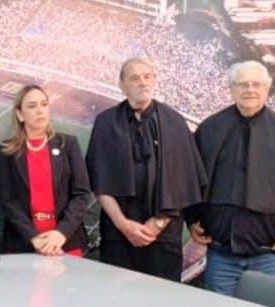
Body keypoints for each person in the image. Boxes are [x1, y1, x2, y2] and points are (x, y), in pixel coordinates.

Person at [187, 61, 275, 295]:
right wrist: (191, 219)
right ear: (231, 88)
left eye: (256, 84)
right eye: (242, 84)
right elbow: (191, 180)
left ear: (267, 89)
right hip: (221, 255)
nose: (250, 89)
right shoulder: (209, 129)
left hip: (271, 256)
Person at [86, 58, 206, 280]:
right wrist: (124, 225)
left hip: (163, 238)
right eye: (134, 78)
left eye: (147, 76)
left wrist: (157, 224)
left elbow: (184, 182)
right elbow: (100, 182)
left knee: (159, 305)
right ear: (122, 85)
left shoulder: (175, 122)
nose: (142, 82)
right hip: (118, 236)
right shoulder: (106, 122)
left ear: (155, 80)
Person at [0, 84, 92, 257]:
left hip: (66, 243)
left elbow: (81, 194)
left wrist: (61, 233)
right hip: (22, 244)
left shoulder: (68, 144)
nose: (40, 110)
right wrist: (34, 237)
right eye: (32, 106)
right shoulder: (6, 151)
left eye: (44, 104)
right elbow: (7, 200)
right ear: (20, 114)